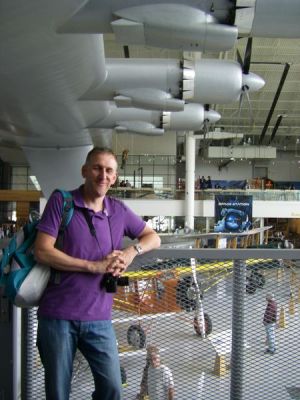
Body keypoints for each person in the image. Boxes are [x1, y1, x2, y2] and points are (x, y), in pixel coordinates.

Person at [34, 147, 161, 400]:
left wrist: (131, 251)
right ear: (84, 171)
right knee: (58, 393)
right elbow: (42, 251)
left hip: (99, 318)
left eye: (109, 170)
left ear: (114, 177)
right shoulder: (62, 201)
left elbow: (153, 237)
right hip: (58, 316)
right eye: (97, 168)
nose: (103, 175)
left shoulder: (118, 210)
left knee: (112, 388)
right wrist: (93, 266)